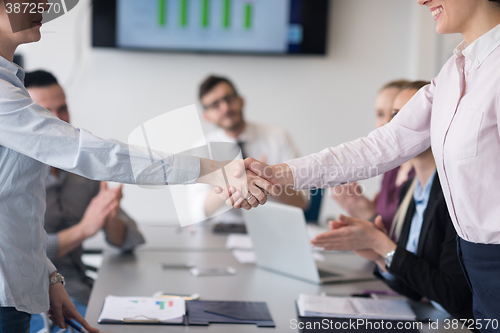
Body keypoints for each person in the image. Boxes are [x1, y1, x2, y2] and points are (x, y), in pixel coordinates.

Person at [0, 2, 275, 332]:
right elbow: (88, 151)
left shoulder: (11, 87)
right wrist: (212, 170)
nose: (43, 5)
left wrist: (48, 277)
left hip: (20, 290)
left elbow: (13, 213)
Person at [228, 0, 500, 326]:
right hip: (476, 262)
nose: (421, 0)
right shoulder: (453, 75)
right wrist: (273, 174)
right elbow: (376, 148)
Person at [311, 82, 474, 320]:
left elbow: (453, 298)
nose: (393, 126)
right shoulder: (411, 188)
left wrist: (382, 245)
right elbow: (417, 288)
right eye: (395, 115)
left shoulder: (456, 192)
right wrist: (378, 255)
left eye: (409, 114)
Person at [24, 70, 146, 332]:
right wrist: (85, 230)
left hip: (80, 293)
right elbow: (20, 252)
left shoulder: (81, 172)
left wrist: (109, 216)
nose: (59, 120)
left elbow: (130, 239)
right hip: (31, 303)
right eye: (46, 112)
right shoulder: (15, 177)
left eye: (63, 109)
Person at [191, 75, 308, 224]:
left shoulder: (278, 136)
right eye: (215, 105)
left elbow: (302, 201)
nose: (225, 108)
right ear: (207, 116)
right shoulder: (202, 148)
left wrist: (269, 178)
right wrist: (230, 180)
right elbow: (197, 212)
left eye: (228, 99)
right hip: (226, 230)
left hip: (275, 225)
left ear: (241, 101)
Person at [331, 80, 415, 231]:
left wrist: (368, 215)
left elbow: (407, 244)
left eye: (395, 114)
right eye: (380, 114)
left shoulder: (423, 174)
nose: (386, 123)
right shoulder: (391, 167)